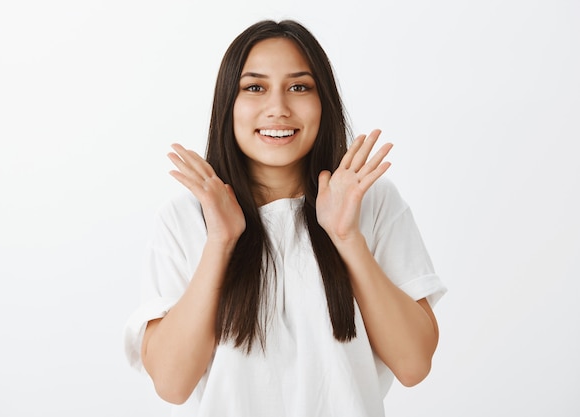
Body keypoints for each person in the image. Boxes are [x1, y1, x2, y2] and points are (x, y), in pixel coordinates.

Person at [124, 19, 446, 417]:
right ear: (228, 103)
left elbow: (414, 364)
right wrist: (220, 243)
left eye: (299, 87)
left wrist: (347, 238)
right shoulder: (185, 217)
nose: (278, 108)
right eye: (254, 87)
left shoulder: (372, 201)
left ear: (323, 100)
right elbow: (172, 384)